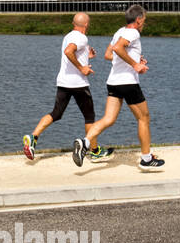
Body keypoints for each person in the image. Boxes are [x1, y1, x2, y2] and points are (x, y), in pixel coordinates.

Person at [73, 3, 164, 169]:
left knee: (109, 119)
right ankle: (146, 159)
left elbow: (109, 55)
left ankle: (85, 143)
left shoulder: (120, 31)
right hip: (128, 82)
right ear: (138, 19)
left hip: (113, 82)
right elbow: (117, 48)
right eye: (144, 20)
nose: (144, 23)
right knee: (144, 118)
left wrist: (134, 60)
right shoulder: (133, 32)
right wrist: (135, 65)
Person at [22, 12, 114, 161]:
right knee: (89, 117)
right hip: (78, 83)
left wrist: (85, 56)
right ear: (86, 24)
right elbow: (68, 52)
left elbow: (70, 53)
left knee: (56, 114)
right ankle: (95, 150)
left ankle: (33, 137)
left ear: (73, 23)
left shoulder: (68, 36)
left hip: (63, 82)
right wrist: (82, 68)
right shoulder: (81, 37)